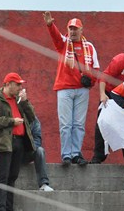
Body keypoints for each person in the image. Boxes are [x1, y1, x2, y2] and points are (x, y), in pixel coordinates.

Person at [43, 12, 100, 166]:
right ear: (68, 30)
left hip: (82, 90)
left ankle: (76, 154)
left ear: (81, 30)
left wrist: (91, 81)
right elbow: (56, 36)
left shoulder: (89, 47)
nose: (73, 31)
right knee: (66, 124)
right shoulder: (63, 43)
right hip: (65, 88)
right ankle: (66, 155)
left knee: (79, 124)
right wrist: (50, 25)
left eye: (75, 29)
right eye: (71, 28)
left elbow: (95, 68)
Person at [0, 72, 36, 211]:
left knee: (12, 176)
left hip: (19, 142)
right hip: (3, 143)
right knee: (2, 176)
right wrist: (11, 121)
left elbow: (32, 117)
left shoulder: (19, 100)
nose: (20, 87)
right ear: (8, 84)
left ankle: (9, 210)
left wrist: (25, 102)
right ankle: (0, 209)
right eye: (17, 84)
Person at [23, 115, 53, 192]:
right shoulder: (11, 118)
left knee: (40, 150)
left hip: (26, 153)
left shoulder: (33, 119)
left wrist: (27, 148)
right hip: (12, 154)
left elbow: (37, 140)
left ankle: (43, 184)